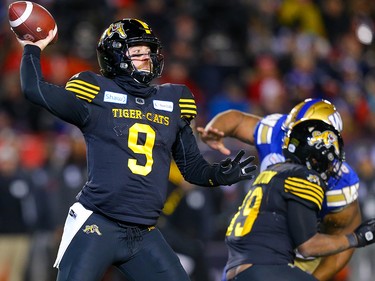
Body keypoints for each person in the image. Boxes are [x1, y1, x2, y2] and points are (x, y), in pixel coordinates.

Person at [16, 18, 257, 281]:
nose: (147, 57)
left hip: (144, 231)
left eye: (149, 51)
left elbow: (192, 169)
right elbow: (34, 89)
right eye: (137, 51)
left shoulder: (173, 99)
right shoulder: (96, 91)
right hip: (98, 223)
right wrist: (32, 47)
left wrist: (219, 175)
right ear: (116, 56)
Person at [197, 98, 362, 281]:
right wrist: (216, 128)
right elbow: (311, 244)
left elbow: (336, 247)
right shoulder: (284, 144)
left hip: (248, 256)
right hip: (273, 255)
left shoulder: (339, 183)